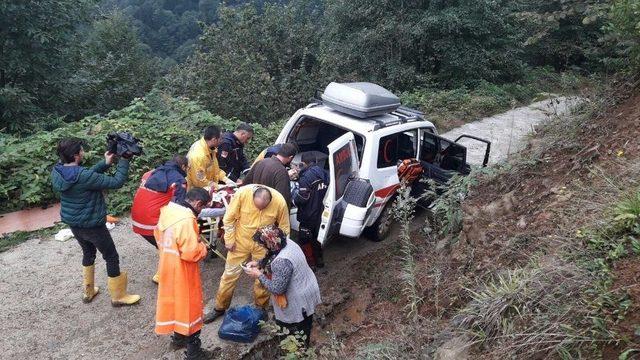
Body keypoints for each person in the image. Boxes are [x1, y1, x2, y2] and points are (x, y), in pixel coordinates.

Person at [50, 137, 140, 306]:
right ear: (76, 155)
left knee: (88, 253)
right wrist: (125, 160)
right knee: (111, 256)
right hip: (92, 225)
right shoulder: (82, 175)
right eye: (82, 150)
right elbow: (116, 182)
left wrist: (105, 163)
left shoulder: (58, 170)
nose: (83, 152)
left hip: (75, 224)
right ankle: (118, 296)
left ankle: (88, 291)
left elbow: (83, 177)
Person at [204, 185, 290, 323]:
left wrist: (277, 250)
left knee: (261, 277)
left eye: (263, 208)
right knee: (229, 275)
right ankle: (219, 307)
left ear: (270, 201)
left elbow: (284, 228)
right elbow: (228, 219)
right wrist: (229, 239)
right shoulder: (242, 194)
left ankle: (261, 308)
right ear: (252, 198)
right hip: (240, 242)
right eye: (257, 207)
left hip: (263, 245)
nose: (260, 209)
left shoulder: (279, 201)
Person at [154, 187, 213, 360]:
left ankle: (178, 338)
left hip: (166, 266)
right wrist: (203, 247)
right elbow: (191, 253)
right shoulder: (187, 220)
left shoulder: (168, 210)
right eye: (202, 207)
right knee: (190, 308)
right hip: (183, 271)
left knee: (174, 304)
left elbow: (157, 235)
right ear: (197, 203)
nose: (200, 211)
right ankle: (194, 353)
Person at [244, 225, 321, 347]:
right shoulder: (286, 242)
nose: (262, 246)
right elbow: (273, 254)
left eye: (263, 243)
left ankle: (298, 353)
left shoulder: (282, 262)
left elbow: (277, 289)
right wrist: (259, 263)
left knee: (295, 335)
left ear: (271, 242)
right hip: (307, 288)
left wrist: (258, 274)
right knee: (304, 329)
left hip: (298, 302)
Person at [130, 154, 189, 284]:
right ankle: (165, 276)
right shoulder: (179, 181)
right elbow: (179, 207)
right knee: (173, 245)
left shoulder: (150, 173)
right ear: (183, 167)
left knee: (161, 245)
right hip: (151, 223)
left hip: (136, 219)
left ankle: (162, 273)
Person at [292, 152, 329, 269]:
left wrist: (293, 198)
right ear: (316, 161)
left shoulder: (306, 177)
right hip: (320, 210)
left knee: (304, 239)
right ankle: (320, 261)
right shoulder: (324, 173)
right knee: (317, 237)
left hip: (308, 213)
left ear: (303, 163)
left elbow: (302, 198)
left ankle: (310, 265)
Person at [243, 143, 298, 208]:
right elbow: (283, 199)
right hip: (269, 210)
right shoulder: (281, 171)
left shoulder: (260, 162)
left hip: (253, 207)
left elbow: (246, 183)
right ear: (290, 158)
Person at [187, 125, 235, 189]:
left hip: (207, 187)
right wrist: (217, 186)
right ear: (214, 139)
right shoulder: (199, 155)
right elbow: (199, 180)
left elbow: (215, 169)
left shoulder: (211, 149)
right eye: (220, 139)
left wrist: (225, 179)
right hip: (196, 191)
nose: (222, 141)